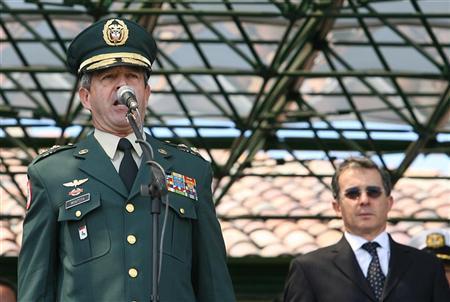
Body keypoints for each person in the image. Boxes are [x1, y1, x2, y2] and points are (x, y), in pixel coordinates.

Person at [18, 17, 235, 302]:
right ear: (85, 97)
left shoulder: (190, 169)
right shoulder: (52, 174)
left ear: (146, 92)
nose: (122, 87)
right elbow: (37, 285)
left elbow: (214, 282)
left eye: (132, 77)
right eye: (108, 78)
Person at [283, 157, 450, 302]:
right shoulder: (309, 269)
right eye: (352, 193)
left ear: (389, 203)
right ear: (337, 207)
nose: (364, 200)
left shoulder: (427, 267)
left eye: (373, 192)